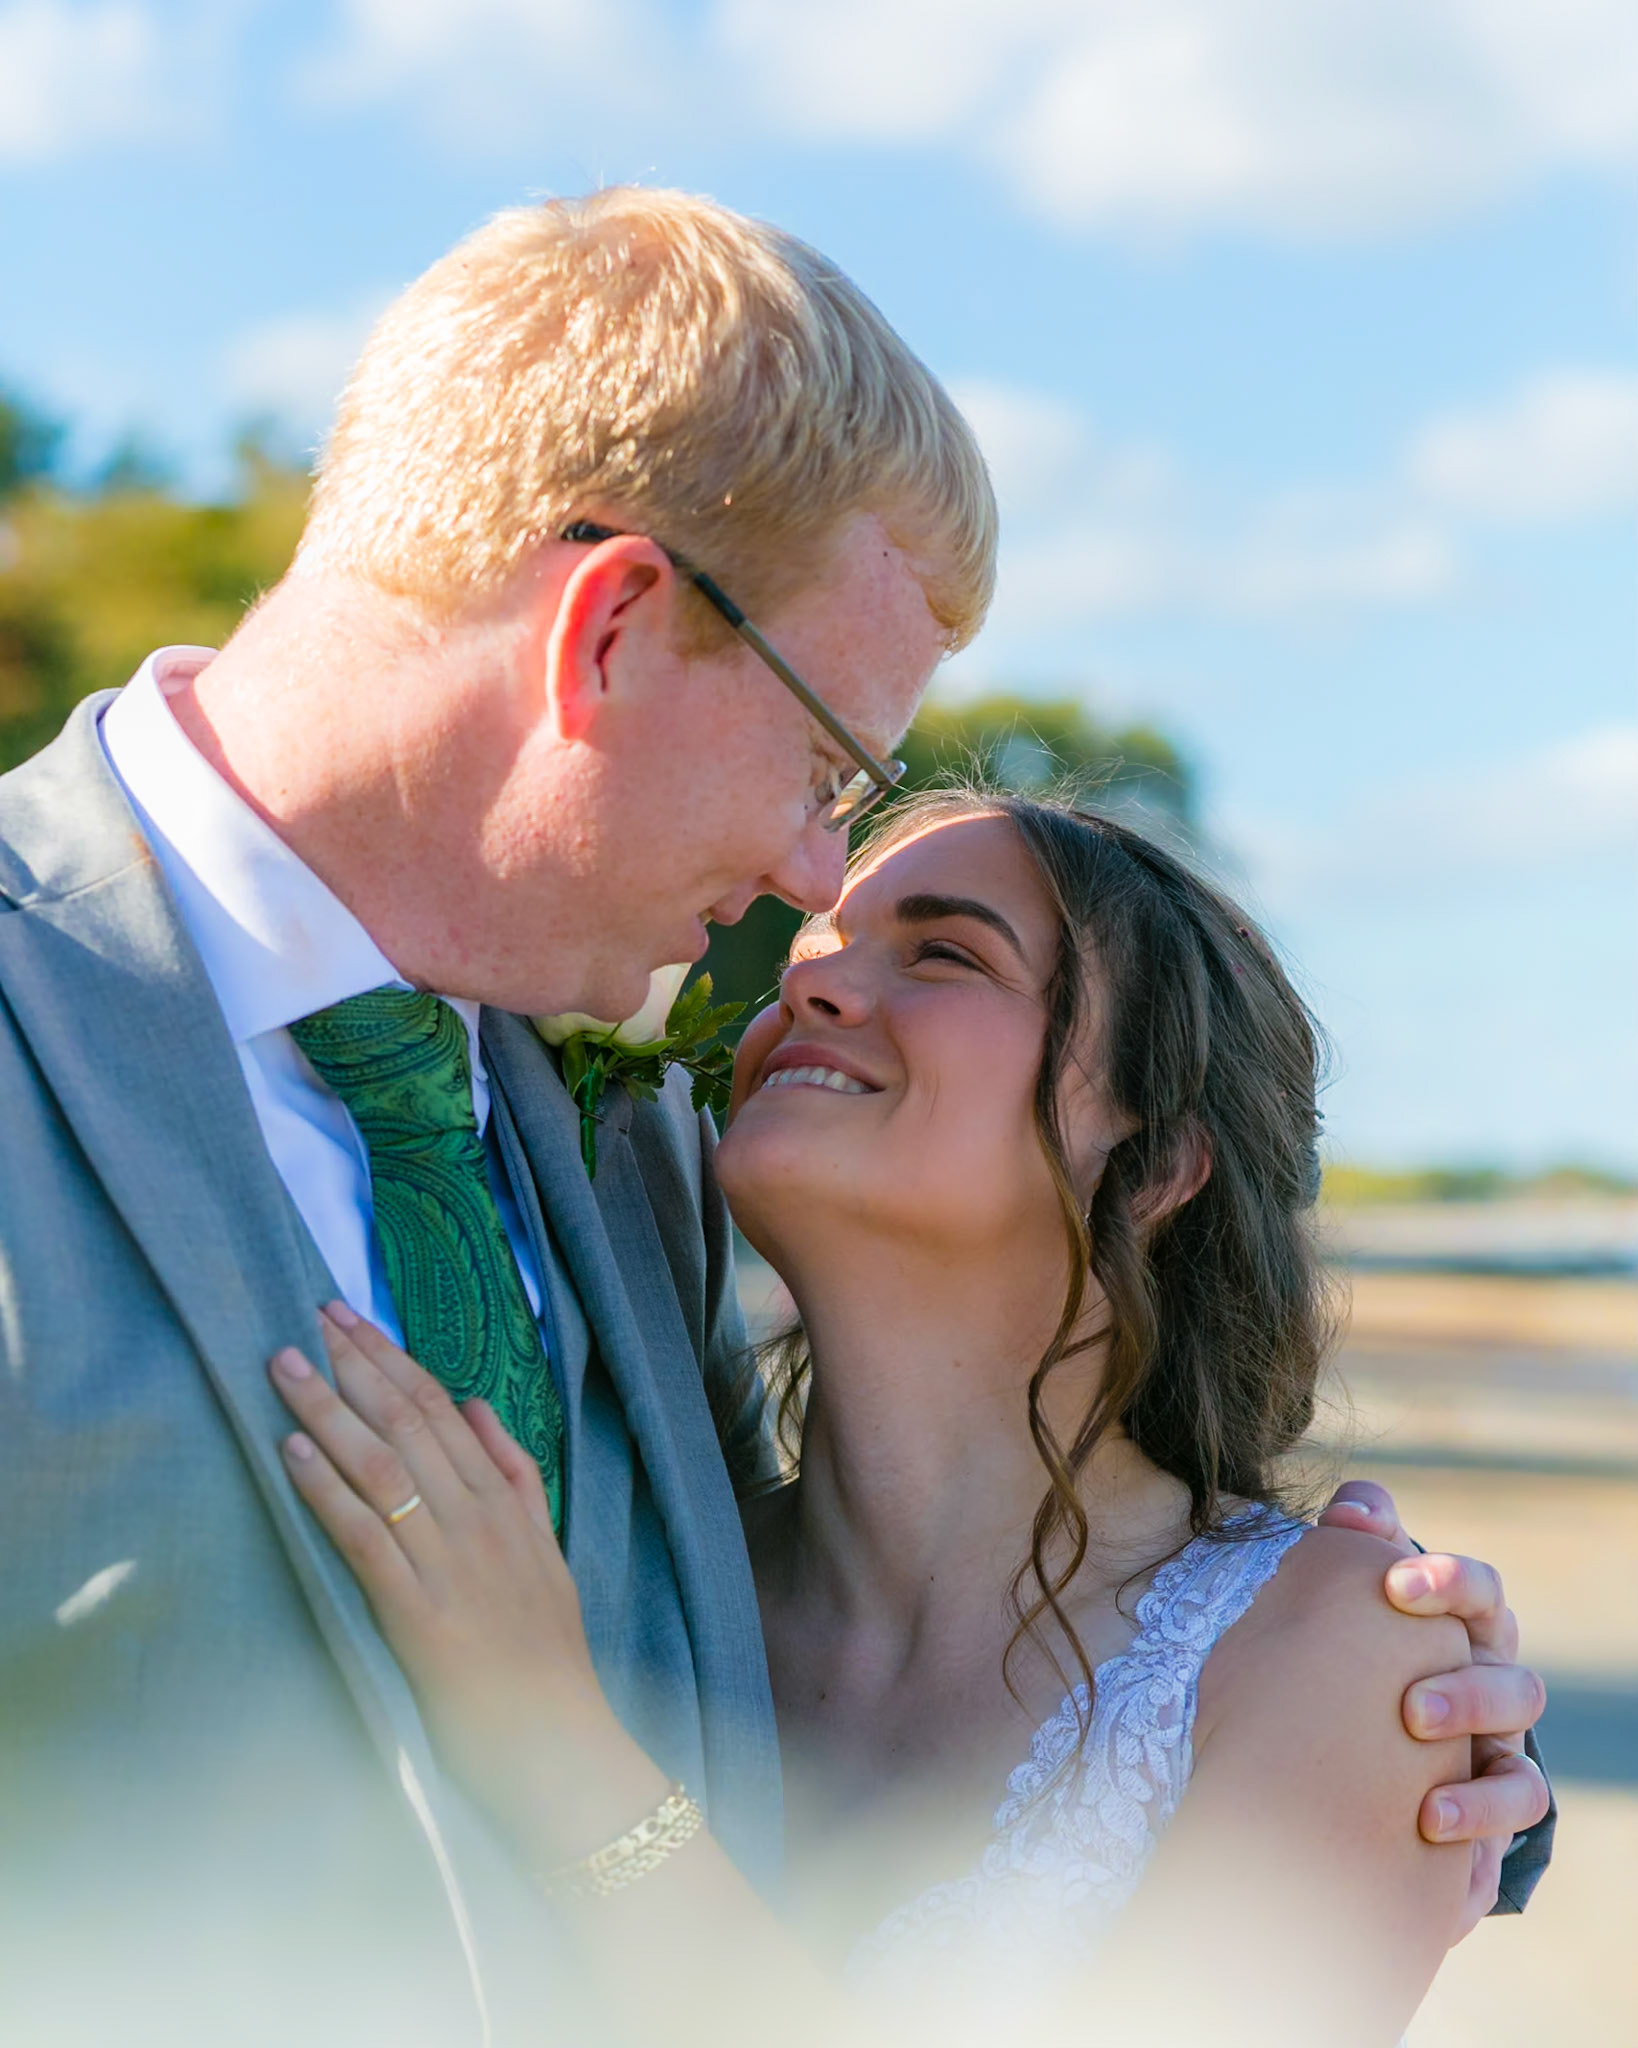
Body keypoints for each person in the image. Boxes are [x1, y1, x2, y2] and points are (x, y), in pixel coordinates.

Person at [0, 187, 1545, 2045]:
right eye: (824, 765)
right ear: (611, 629)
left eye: (929, 935)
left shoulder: (618, 1146)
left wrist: (1378, 1748)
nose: (810, 892)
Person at [271, 792, 1549, 2048]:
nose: (806, 986)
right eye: (813, 949)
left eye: (945, 953)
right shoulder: (634, 1566)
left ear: (1155, 1162)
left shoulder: (1344, 1654)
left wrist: (553, 1745)